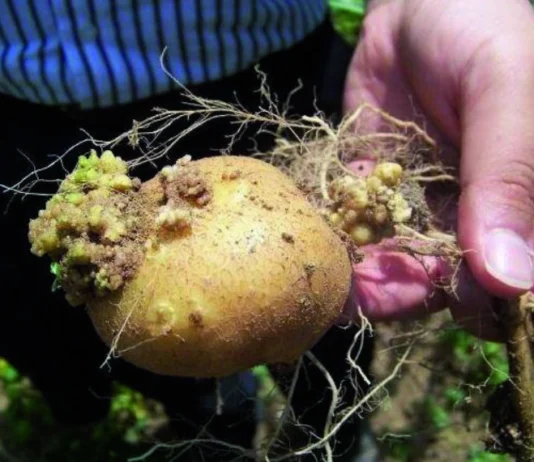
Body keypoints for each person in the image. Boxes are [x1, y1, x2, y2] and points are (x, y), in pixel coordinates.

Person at [1, 0, 534, 460]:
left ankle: (337, 438)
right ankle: (215, 426)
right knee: (152, 356)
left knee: (336, 328)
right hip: (25, 113)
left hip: (276, 68)